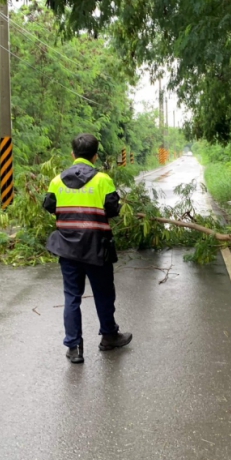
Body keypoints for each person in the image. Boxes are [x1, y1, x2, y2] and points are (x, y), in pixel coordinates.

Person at [42, 134, 132, 363]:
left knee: (72, 296)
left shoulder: (56, 181)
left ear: (72, 155)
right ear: (95, 156)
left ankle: (73, 348)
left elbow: (50, 206)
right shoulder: (103, 180)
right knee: (103, 293)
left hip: (68, 250)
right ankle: (109, 336)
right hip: (97, 248)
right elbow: (113, 210)